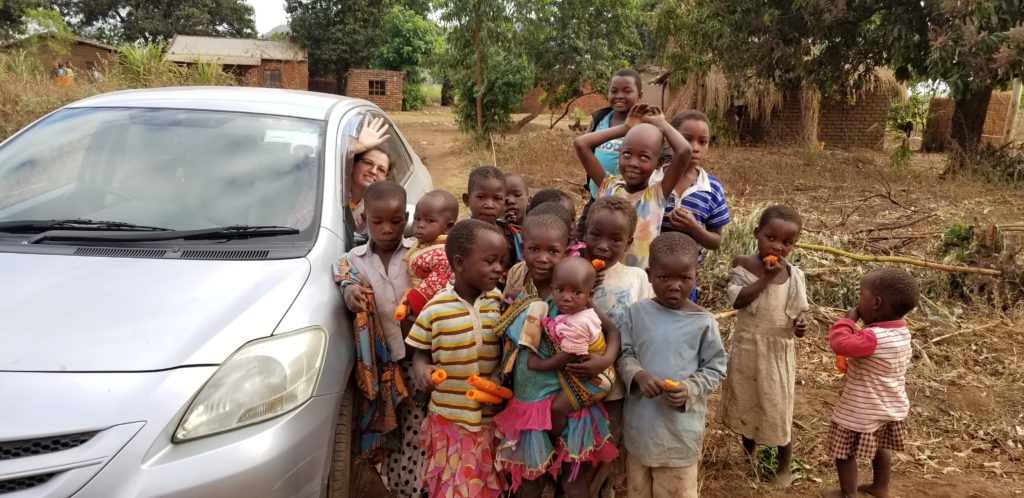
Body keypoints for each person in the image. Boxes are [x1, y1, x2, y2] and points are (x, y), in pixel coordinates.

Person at [495, 212, 618, 497]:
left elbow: (612, 331)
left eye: (553, 251)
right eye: (533, 249)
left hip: (563, 398)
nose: (542, 258)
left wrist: (604, 360)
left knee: (571, 479)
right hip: (527, 400)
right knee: (529, 482)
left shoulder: (570, 293)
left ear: (566, 250)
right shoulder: (519, 292)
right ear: (522, 247)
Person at [617, 232, 727, 498]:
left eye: (684, 278)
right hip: (641, 429)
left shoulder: (704, 322)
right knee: (637, 490)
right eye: (664, 277)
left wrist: (690, 388)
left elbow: (715, 368)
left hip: (679, 433)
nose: (674, 286)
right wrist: (639, 375)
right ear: (649, 274)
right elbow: (624, 354)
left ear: (696, 276)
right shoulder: (636, 313)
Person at [333, 181, 425, 496]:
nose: (387, 229)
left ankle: (418, 488)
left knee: (418, 430)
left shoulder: (418, 253)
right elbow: (345, 281)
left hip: (418, 359)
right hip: (385, 366)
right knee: (392, 432)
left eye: (396, 221)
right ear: (364, 219)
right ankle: (399, 487)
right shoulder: (354, 259)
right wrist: (350, 292)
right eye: (378, 221)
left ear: (406, 219)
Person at [406, 219, 508, 497]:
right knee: (455, 487)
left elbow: (507, 351)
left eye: (501, 261)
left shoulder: (498, 301)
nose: (498, 268)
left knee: (486, 486)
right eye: (490, 261)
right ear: (460, 263)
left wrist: (499, 375)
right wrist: (423, 370)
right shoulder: (436, 308)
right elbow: (420, 351)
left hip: (489, 418)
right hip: (450, 417)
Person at [717, 205, 809, 488]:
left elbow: (798, 312)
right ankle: (748, 454)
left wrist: (801, 324)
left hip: (778, 352)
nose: (778, 246)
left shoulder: (794, 275)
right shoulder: (743, 264)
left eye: (787, 242)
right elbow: (738, 300)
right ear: (757, 233)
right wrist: (767, 278)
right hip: (747, 347)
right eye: (771, 238)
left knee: (778, 406)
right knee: (748, 400)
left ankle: (784, 466)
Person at [578, 196, 654, 495]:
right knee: (577, 446)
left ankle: (603, 489)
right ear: (584, 232)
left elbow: (644, 327)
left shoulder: (637, 278)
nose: (603, 246)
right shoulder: (571, 272)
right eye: (595, 235)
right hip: (573, 381)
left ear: (629, 243)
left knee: (607, 444)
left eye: (615, 239)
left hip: (616, 386)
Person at [825, 268, 918, 498]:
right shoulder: (901, 331)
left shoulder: (873, 338)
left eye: (861, 294)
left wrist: (847, 321)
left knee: (844, 451)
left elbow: (840, 344)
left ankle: (848, 494)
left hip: (861, 407)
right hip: (890, 405)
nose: (858, 300)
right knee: (881, 445)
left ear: (876, 303)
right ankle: (880, 487)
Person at [574, 103, 692, 268]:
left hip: (639, 281)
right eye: (627, 154)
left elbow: (684, 151)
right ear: (619, 156)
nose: (633, 163)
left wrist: (662, 124)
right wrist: (626, 128)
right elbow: (581, 143)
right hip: (602, 276)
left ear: (658, 163)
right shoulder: (609, 187)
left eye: (644, 157)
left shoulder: (656, 195)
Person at [660, 110, 731, 302]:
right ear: (671, 140)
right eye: (686, 139)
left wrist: (693, 228)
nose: (695, 148)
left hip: (684, 280)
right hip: (648, 274)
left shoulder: (711, 188)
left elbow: (715, 241)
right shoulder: (653, 179)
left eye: (702, 142)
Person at [536, 257, 612, 435]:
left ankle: (555, 442)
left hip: (595, 380)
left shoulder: (579, 323)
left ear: (589, 295)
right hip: (590, 374)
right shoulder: (576, 313)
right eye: (560, 290)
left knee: (557, 409)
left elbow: (567, 356)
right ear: (552, 289)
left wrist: (538, 364)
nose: (567, 297)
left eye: (576, 292)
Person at [577, 69, 644, 239]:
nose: (619, 96)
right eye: (614, 91)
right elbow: (586, 148)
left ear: (639, 95)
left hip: (628, 202)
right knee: (583, 242)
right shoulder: (600, 120)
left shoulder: (645, 126)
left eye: (627, 91)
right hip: (597, 198)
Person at [400, 190, 459, 316]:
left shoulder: (443, 253)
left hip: (433, 309)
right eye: (417, 218)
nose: (420, 225)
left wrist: (415, 301)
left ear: (448, 227)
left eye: (429, 221)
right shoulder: (423, 243)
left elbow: (438, 280)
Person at [348, 116, 393, 233]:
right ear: (353, 165)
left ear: (386, 180)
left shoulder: (378, 208)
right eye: (368, 163)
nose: (373, 171)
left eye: (381, 170)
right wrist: (359, 146)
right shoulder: (331, 189)